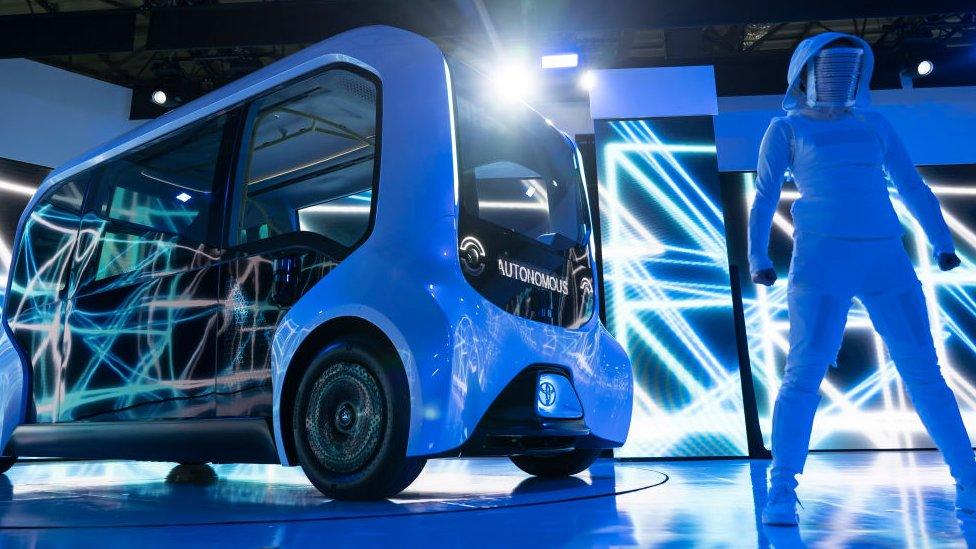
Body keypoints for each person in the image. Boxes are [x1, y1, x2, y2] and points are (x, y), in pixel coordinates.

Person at [748, 31, 976, 526]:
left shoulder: (874, 123)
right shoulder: (785, 130)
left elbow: (910, 184)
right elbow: (765, 196)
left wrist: (942, 241)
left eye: (848, 68)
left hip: (884, 258)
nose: (839, 77)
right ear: (804, 73)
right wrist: (757, 255)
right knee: (803, 376)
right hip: (820, 260)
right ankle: (781, 488)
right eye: (829, 68)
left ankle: (969, 480)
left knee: (925, 372)